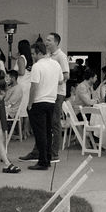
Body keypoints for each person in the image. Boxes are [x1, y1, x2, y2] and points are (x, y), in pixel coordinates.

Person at [24, 39, 60, 170]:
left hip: (39, 102)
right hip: (51, 101)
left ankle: (42, 161)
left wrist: (29, 103)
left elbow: (34, 86)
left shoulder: (37, 66)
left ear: (39, 53)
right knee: (48, 132)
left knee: (40, 133)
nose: (32, 56)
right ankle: (48, 157)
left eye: (33, 53)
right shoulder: (55, 64)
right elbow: (61, 80)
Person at [44, 32, 70, 162]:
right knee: (47, 122)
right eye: (46, 40)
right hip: (49, 93)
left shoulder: (61, 56)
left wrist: (53, 80)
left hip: (58, 93)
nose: (46, 42)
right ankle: (46, 150)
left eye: (49, 40)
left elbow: (66, 76)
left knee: (55, 122)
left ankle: (55, 153)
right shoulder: (48, 56)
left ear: (56, 42)